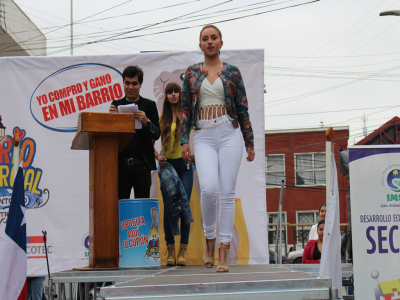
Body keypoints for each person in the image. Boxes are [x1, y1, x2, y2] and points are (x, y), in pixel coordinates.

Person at [180, 25, 255, 272]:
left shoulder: (232, 72)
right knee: (209, 190)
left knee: (226, 192)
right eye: (205, 38)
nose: (209, 42)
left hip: (229, 132)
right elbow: (185, 110)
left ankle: (223, 252)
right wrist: (183, 141)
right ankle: (209, 243)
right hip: (203, 135)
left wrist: (249, 141)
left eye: (214, 38)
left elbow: (242, 107)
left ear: (221, 42)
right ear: (200, 44)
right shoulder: (191, 73)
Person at [154, 82, 194, 266]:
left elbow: (200, 137)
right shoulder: (161, 118)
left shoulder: (187, 117)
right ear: (166, 96)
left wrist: (196, 154)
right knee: (170, 208)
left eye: (176, 91)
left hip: (185, 167)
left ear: (180, 94)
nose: (173, 95)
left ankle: (182, 250)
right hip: (167, 167)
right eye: (169, 92)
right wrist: (157, 156)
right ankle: (170, 250)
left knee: (183, 206)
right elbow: (148, 138)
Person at [109, 65, 160, 199]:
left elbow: (157, 134)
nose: (130, 87)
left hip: (142, 167)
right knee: (120, 207)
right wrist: (110, 120)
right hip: (121, 167)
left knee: (142, 208)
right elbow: (110, 134)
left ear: (140, 85)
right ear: (123, 83)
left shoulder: (149, 105)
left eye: (134, 83)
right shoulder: (116, 104)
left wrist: (146, 121)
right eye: (127, 83)